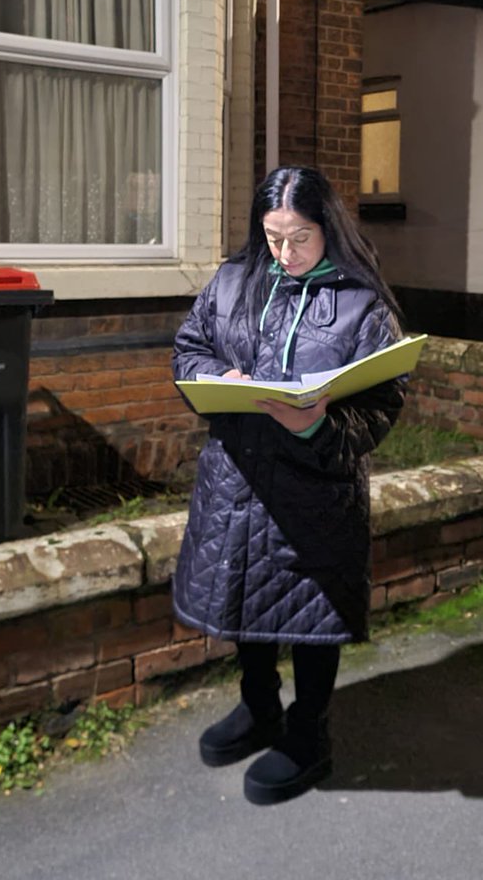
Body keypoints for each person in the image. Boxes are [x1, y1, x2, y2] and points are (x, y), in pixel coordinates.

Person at [172, 165, 406, 805]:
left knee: (311, 618)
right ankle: (259, 708)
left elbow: (383, 404)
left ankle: (309, 735)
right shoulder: (232, 281)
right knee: (248, 605)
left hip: (318, 492)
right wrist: (221, 374)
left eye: (300, 237)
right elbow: (188, 348)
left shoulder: (363, 302)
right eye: (273, 237)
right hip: (237, 483)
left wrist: (316, 426)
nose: (285, 252)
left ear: (327, 227)